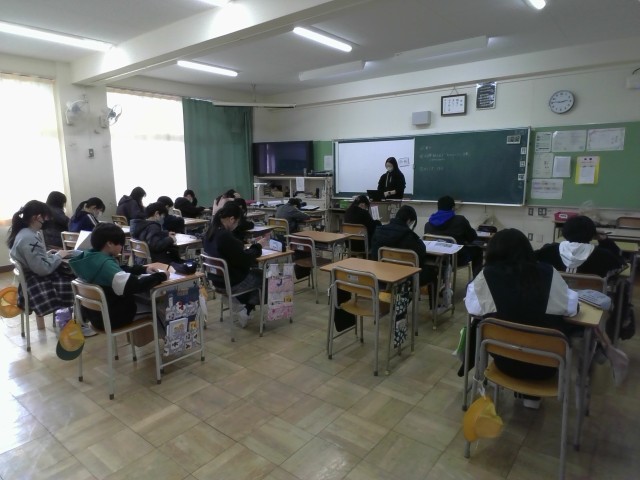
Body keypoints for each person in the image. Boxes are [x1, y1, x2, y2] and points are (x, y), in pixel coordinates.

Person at [465, 228, 579, 408]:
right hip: (546, 365)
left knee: (484, 325)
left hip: (504, 360)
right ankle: (532, 397)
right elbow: (571, 309)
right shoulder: (548, 272)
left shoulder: (486, 275)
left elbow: (473, 308)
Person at [69, 223, 167, 340]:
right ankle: (168, 343)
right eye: (120, 244)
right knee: (156, 307)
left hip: (94, 316)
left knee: (142, 298)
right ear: (109, 243)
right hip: (113, 318)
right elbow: (135, 285)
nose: (122, 247)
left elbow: (119, 269)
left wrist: (143, 269)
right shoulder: (106, 266)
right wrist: (161, 276)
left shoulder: (90, 258)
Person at [7, 200, 77, 331]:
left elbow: (34, 259)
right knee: (77, 285)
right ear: (37, 217)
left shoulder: (24, 233)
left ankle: (69, 320)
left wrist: (48, 255)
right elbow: (43, 269)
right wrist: (58, 256)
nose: (47, 220)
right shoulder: (29, 237)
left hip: (30, 279)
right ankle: (76, 324)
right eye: (46, 217)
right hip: (36, 283)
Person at [203, 202, 268, 327]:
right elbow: (244, 259)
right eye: (237, 222)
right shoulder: (224, 236)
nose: (237, 225)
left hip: (216, 281)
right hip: (230, 282)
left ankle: (240, 304)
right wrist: (258, 246)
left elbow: (235, 255)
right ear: (232, 219)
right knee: (264, 278)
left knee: (255, 273)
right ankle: (246, 308)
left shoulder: (210, 232)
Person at [371, 205, 437, 294]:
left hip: (381, 274)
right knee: (433, 271)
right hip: (405, 277)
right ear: (408, 220)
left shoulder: (379, 231)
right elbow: (421, 255)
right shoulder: (410, 237)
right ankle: (432, 303)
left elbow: (374, 254)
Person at [536, 215, 625, 277]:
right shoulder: (603, 255)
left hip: (554, 295)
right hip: (590, 296)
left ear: (565, 231)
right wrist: (605, 241)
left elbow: (532, 260)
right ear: (593, 234)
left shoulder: (548, 250)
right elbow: (621, 265)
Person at [424, 195, 483, 277]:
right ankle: (476, 281)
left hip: (435, 259)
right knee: (478, 250)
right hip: (456, 259)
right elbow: (472, 237)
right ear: (453, 208)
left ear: (438, 207)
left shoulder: (428, 224)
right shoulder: (460, 220)